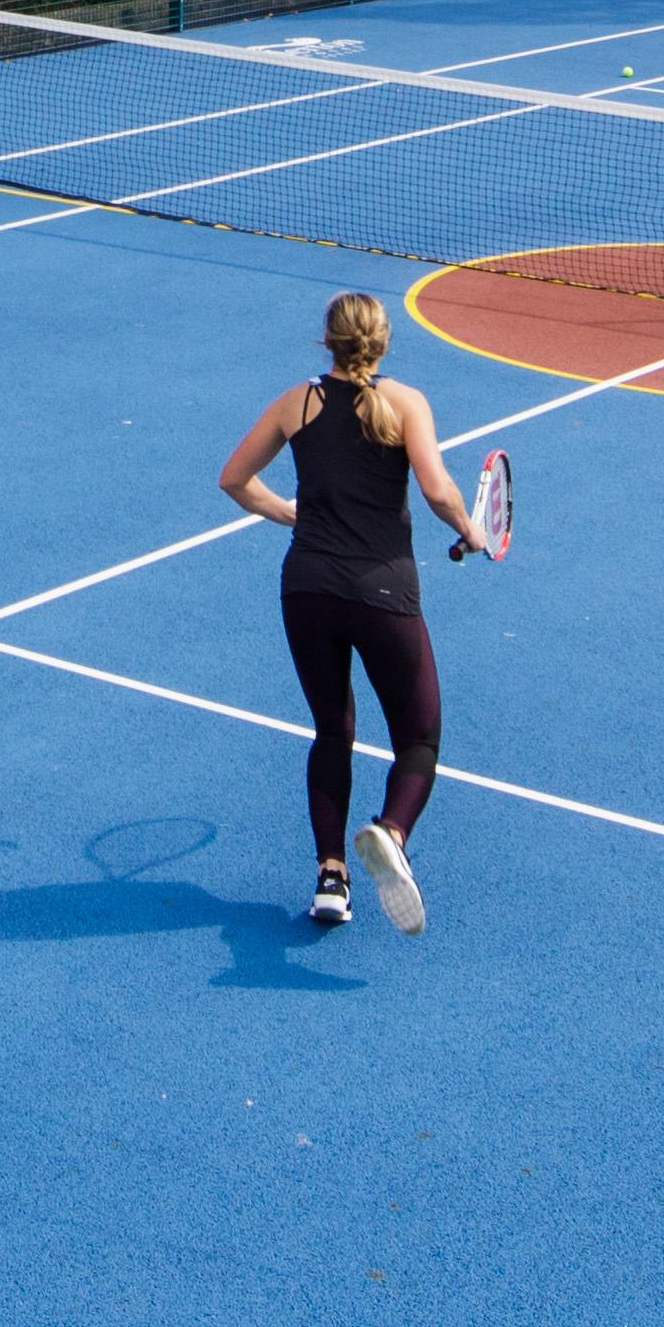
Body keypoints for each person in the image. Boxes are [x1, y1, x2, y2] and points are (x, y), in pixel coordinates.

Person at [215, 288, 495, 933]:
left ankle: (331, 878)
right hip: (384, 593)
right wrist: (470, 529)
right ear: (384, 340)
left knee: (332, 731)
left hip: (306, 588)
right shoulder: (405, 402)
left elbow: (233, 479)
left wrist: (292, 511)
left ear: (328, 341)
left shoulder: (296, 402)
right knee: (419, 739)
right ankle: (392, 832)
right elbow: (435, 488)